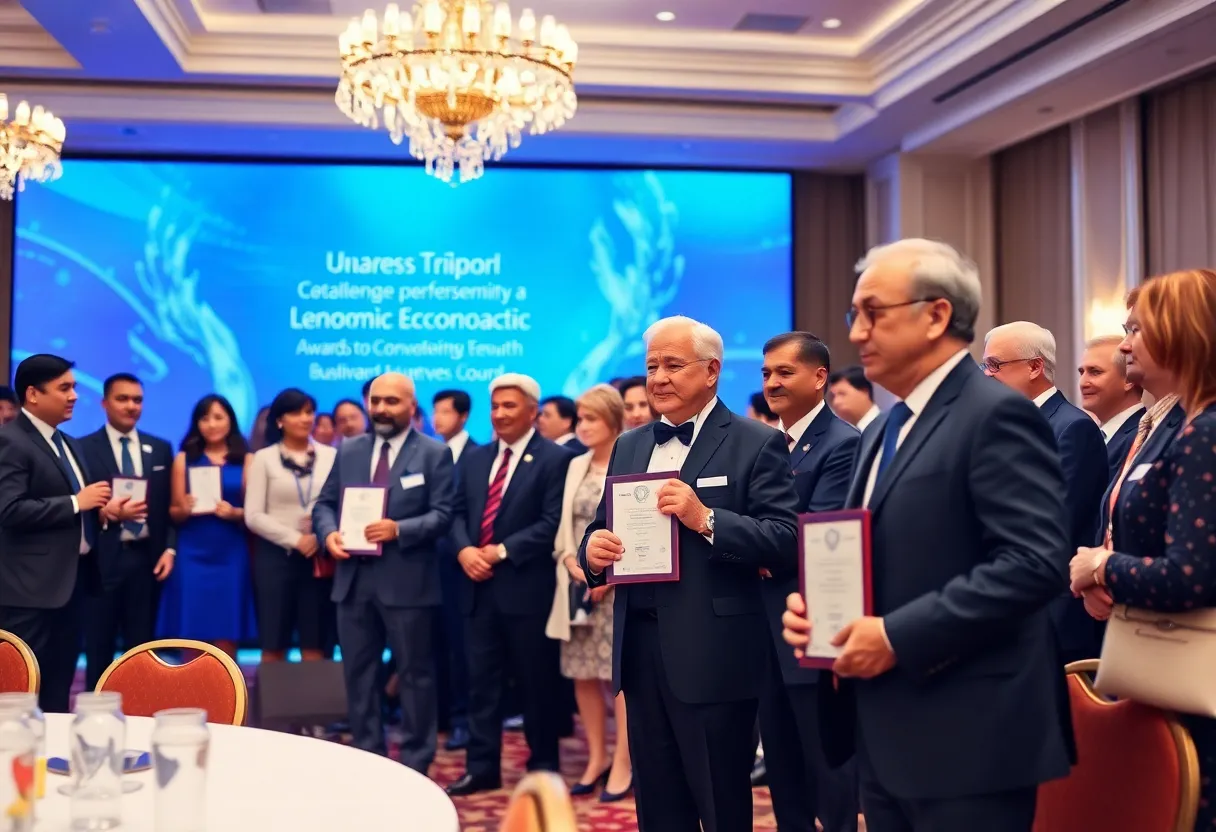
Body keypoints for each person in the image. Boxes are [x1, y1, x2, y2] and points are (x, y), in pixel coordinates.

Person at [782, 239, 1073, 832]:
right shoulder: (885, 427)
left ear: (936, 314)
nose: (857, 333)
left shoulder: (995, 413)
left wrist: (893, 633)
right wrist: (823, 614)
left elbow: (1033, 563)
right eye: (853, 316)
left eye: (873, 312)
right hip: (885, 729)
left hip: (969, 733)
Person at [581, 316, 799, 832]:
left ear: (712, 372)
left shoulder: (756, 441)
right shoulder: (630, 444)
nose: (658, 377)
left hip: (715, 654)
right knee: (657, 806)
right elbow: (601, 526)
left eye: (673, 365)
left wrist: (705, 519)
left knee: (721, 805)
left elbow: (785, 540)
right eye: (652, 365)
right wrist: (593, 551)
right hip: (639, 650)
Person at [1069, 268, 1216, 830]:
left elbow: (1190, 574)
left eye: (1138, 329)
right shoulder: (1180, 426)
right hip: (1162, 665)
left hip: (1193, 677)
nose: (1125, 343)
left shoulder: (1201, 431)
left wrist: (1102, 565)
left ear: (1183, 333)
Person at [313, 373, 454, 773]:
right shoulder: (349, 449)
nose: (381, 409)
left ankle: (416, 763)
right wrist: (329, 535)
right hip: (353, 582)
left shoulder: (433, 453)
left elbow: (444, 516)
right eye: (376, 401)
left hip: (408, 583)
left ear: (411, 406)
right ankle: (369, 761)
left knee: (415, 677)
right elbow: (324, 504)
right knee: (358, 677)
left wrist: (399, 529)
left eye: (392, 401)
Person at [446, 374, 572, 797]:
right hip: (477, 590)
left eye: (509, 406)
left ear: (533, 411)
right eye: (495, 406)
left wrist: (498, 552)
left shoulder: (555, 459)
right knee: (480, 684)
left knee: (536, 685)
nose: (499, 414)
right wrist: (465, 551)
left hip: (527, 590)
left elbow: (551, 523)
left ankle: (542, 767)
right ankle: (482, 767)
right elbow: (456, 512)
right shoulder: (476, 458)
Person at [759, 332, 860, 832]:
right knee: (781, 766)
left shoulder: (843, 443)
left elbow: (819, 532)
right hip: (759, 626)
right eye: (766, 373)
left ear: (819, 378)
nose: (772, 383)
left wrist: (748, 545)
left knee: (827, 768)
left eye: (784, 372)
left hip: (811, 625)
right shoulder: (763, 443)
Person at [983, 321, 1109, 664]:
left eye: (995, 365)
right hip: (1009, 606)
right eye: (985, 366)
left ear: (1035, 367)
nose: (987, 375)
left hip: (1052, 614)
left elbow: (1056, 522)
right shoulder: (1004, 426)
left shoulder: (1072, 427)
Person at [0, 354, 116, 712]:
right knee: (21, 693)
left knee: (59, 687)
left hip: (72, 585)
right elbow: (9, 509)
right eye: (64, 388)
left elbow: (76, 506)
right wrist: (77, 502)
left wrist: (102, 511)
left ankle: (50, 761)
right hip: (29, 591)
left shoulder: (68, 442)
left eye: (74, 388)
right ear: (33, 394)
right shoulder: (11, 441)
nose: (74, 396)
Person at [545, 384, 633, 802]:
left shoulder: (632, 458)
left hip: (619, 591)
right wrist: (570, 562)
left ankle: (623, 761)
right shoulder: (575, 465)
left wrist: (608, 577)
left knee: (618, 680)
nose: (582, 427)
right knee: (583, 676)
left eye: (591, 419)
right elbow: (563, 527)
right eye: (579, 419)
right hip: (577, 587)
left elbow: (640, 528)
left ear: (614, 420)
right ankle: (596, 757)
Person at [79, 372, 176, 689]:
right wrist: (105, 513)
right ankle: (95, 721)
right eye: (123, 399)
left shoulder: (160, 449)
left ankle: (141, 716)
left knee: (143, 650)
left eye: (137, 400)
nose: (131, 406)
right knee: (99, 649)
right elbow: (80, 507)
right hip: (101, 561)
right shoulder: (83, 449)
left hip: (146, 560)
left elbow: (168, 507)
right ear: (105, 403)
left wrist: (170, 549)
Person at [159, 394, 255, 657]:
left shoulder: (247, 460)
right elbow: (173, 513)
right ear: (196, 423)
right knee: (191, 628)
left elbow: (255, 513)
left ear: (230, 422)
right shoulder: (183, 459)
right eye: (205, 418)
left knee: (227, 629)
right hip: (192, 552)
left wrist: (236, 513)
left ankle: (228, 695)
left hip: (230, 552)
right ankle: (190, 696)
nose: (212, 424)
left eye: (218, 417)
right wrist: (184, 508)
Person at [245, 388, 337, 663]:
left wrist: (318, 536)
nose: (305, 418)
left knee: (316, 639)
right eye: (297, 412)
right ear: (279, 421)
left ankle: (316, 705)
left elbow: (337, 502)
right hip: (276, 558)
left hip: (318, 558)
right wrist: (295, 540)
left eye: (309, 412)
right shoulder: (264, 458)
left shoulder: (332, 456)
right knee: (274, 640)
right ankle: (275, 706)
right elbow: (253, 515)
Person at [431, 388, 477, 750]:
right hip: (426, 565)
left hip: (462, 565)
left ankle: (463, 718)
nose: (437, 419)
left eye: (445, 412)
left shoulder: (476, 455)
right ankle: (441, 714)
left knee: (462, 647)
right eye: (435, 412)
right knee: (432, 645)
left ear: (463, 416)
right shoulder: (428, 453)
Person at [1077, 334, 1145, 479]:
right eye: (1082, 372)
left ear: (1129, 379)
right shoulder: (1093, 437)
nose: (1083, 382)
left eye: (1095, 372)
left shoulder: (1141, 437)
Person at [827, 366, 880, 432]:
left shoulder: (886, 426)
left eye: (842, 394)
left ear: (864, 391)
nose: (836, 402)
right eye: (833, 397)